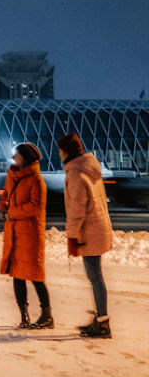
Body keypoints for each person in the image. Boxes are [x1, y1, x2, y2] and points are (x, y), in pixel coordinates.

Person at [59, 131, 114, 338]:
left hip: (88, 232)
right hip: (96, 229)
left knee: (95, 277)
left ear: (66, 152)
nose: (59, 154)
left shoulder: (76, 173)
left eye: (60, 151)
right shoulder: (88, 168)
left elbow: (76, 210)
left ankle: (103, 322)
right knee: (95, 277)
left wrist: (72, 237)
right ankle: (100, 317)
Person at [0, 143, 53, 329]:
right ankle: (24, 316)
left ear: (26, 157)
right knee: (17, 274)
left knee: (35, 275)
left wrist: (12, 213)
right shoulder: (13, 174)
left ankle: (47, 315)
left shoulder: (36, 180)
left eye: (17, 155)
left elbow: (35, 206)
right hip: (15, 233)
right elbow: (7, 192)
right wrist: (2, 205)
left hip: (30, 234)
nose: (13, 158)